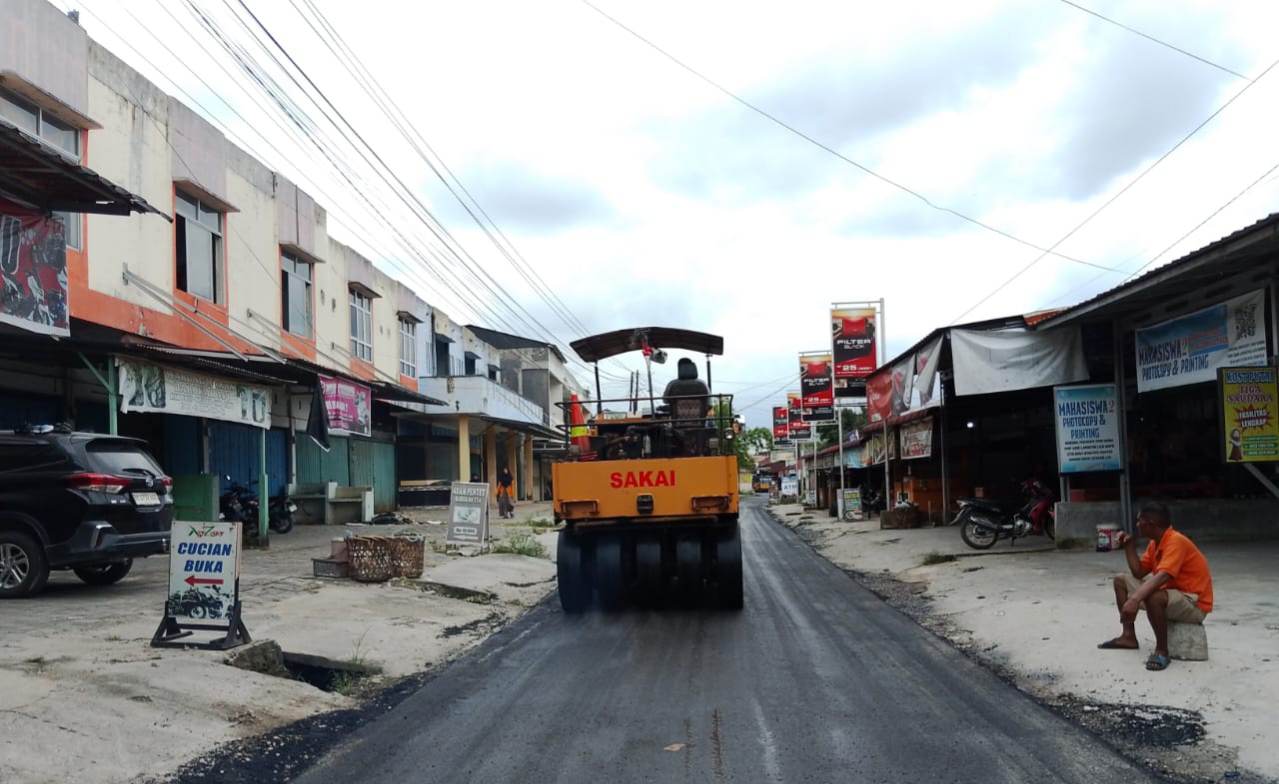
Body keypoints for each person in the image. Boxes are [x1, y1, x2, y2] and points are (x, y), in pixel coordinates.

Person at [1097, 502, 1213, 671]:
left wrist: (1135, 599)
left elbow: (1163, 576)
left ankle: (1162, 651)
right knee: (1120, 580)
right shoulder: (1155, 543)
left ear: (1150, 524)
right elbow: (1139, 572)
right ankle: (1128, 636)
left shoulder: (1176, 541)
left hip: (1193, 603)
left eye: (1139, 521)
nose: (1137, 525)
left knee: (1153, 595)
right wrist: (1129, 547)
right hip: (1172, 595)